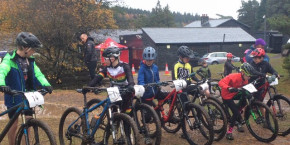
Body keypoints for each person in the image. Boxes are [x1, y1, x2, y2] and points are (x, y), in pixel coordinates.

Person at [0, 32, 53, 145]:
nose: (34, 51)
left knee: (29, 122)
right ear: (25, 47)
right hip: (14, 96)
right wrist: (2, 85)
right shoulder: (9, 59)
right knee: (13, 124)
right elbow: (2, 71)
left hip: (29, 97)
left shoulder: (30, 60)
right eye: (32, 49)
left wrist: (46, 84)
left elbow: (38, 74)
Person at [88, 47, 135, 114]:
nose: (104, 61)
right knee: (114, 113)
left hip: (125, 92)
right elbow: (98, 78)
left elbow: (130, 78)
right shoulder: (107, 68)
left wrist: (131, 85)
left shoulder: (124, 66)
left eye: (105, 59)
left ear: (112, 59)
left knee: (127, 112)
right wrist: (89, 86)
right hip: (114, 92)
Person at [218, 63, 257, 140]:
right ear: (242, 73)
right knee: (236, 112)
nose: (249, 77)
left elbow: (244, 87)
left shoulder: (245, 79)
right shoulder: (233, 76)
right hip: (227, 95)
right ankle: (229, 132)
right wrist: (228, 88)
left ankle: (238, 115)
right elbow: (220, 82)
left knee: (247, 97)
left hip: (235, 93)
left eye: (250, 76)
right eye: (248, 75)